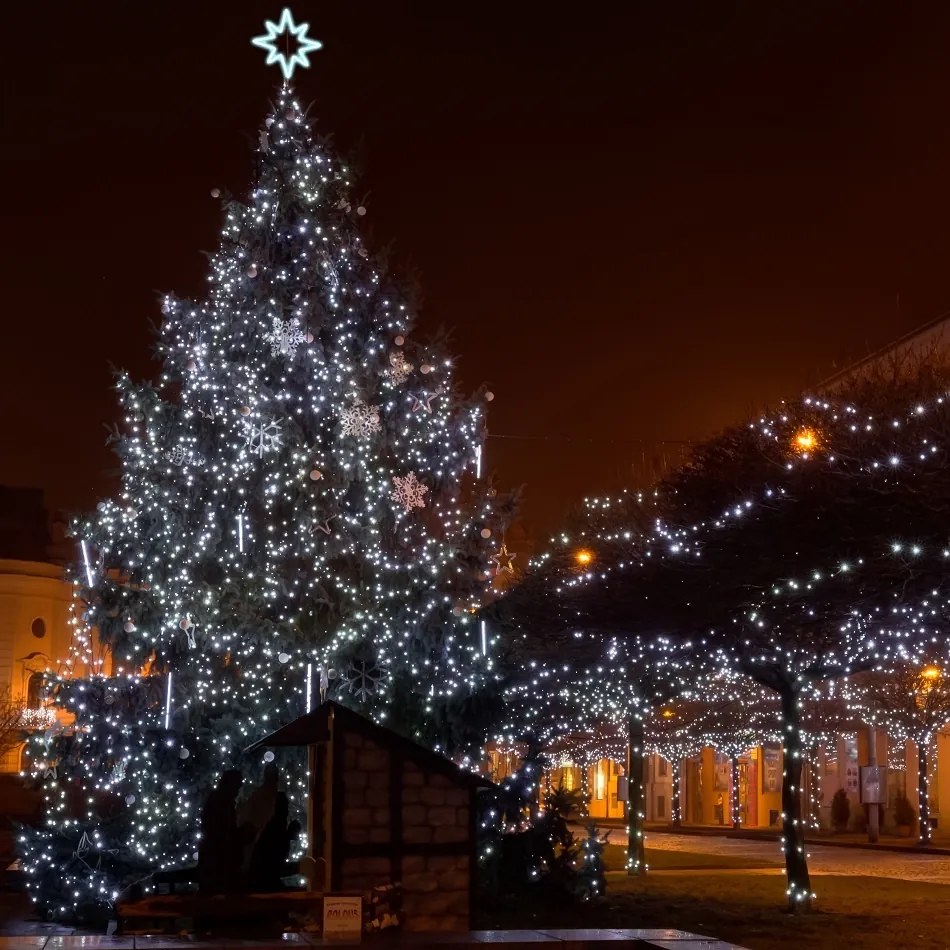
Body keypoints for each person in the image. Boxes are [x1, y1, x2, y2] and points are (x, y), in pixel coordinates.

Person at [198, 769, 244, 893]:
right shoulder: (220, 802)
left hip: (218, 860)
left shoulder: (223, 801)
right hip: (216, 862)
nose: (239, 789)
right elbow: (219, 832)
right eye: (238, 785)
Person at [249, 791, 301, 892]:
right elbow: (273, 868)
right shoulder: (276, 830)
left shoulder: (275, 828)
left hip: (263, 882)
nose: (287, 812)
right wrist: (299, 867)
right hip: (264, 884)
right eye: (285, 807)